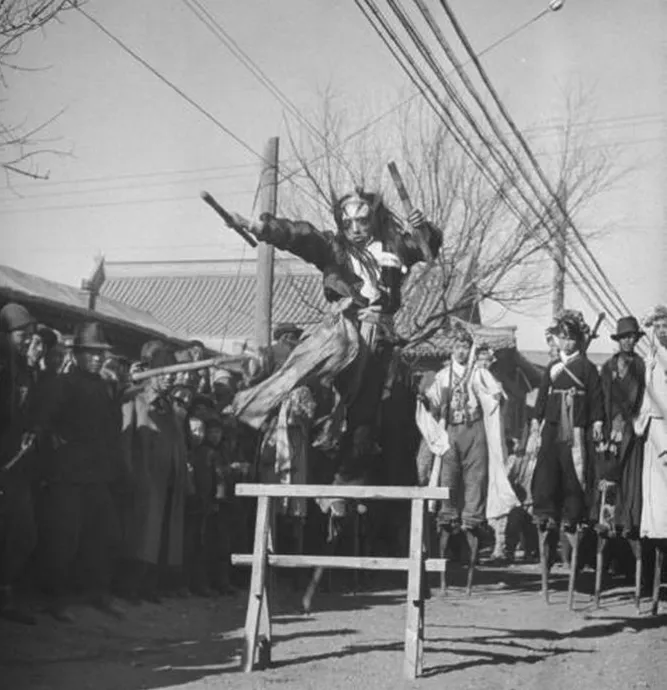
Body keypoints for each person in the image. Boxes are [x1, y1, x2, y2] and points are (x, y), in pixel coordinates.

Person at [226, 187, 442, 499]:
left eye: (362, 221)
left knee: (364, 418)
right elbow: (301, 236)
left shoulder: (394, 246)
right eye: (348, 222)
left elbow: (426, 248)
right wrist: (258, 226)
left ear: (374, 219)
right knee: (302, 376)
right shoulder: (335, 248)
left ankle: (345, 485)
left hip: (378, 336)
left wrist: (424, 228)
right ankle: (250, 408)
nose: (355, 229)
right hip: (342, 329)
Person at [33, 321, 124, 622]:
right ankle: (55, 599)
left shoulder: (105, 386)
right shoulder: (64, 384)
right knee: (64, 538)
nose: (97, 358)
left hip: (97, 474)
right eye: (91, 353)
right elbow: (45, 425)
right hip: (67, 474)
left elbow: (111, 428)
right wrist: (57, 452)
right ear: (77, 354)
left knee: (106, 534)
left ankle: (96, 593)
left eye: (101, 353)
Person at [120, 343, 188, 602]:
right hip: (144, 480)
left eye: (174, 374)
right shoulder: (135, 399)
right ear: (153, 372)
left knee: (161, 536)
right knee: (139, 535)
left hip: (168, 480)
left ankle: (150, 586)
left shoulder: (170, 406)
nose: (170, 378)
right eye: (165, 373)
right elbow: (126, 442)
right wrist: (130, 476)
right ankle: (129, 587)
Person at [530, 310, 604, 537]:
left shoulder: (587, 367)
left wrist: (598, 421)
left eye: (572, 338)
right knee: (547, 466)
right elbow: (542, 396)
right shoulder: (553, 366)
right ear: (558, 339)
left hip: (576, 425)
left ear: (578, 340)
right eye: (563, 337)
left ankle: (573, 514)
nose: (567, 342)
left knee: (574, 469)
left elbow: (596, 396)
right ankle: (545, 511)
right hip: (552, 423)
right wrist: (536, 420)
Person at [0, 303, 39, 624]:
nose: (27, 340)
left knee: (23, 534)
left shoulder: (24, 369)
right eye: (21, 334)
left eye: (30, 334)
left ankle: (6, 595)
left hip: (16, 465)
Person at [600, 316, 646, 539]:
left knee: (630, 476)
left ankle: (628, 523)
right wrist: (602, 425)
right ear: (618, 340)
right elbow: (602, 398)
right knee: (610, 474)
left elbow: (644, 397)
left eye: (632, 337)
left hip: (633, 428)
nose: (628, 341)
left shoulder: (641, 365)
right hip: (612, 428)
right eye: (624, 337)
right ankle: (607, 522)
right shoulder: (608, 366)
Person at [635, 305, 667, 540]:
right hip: (655, 423)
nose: (662, 330)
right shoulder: (651, 358)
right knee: (655, 479)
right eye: (658, 327)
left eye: (666, 326)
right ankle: (656, 529)